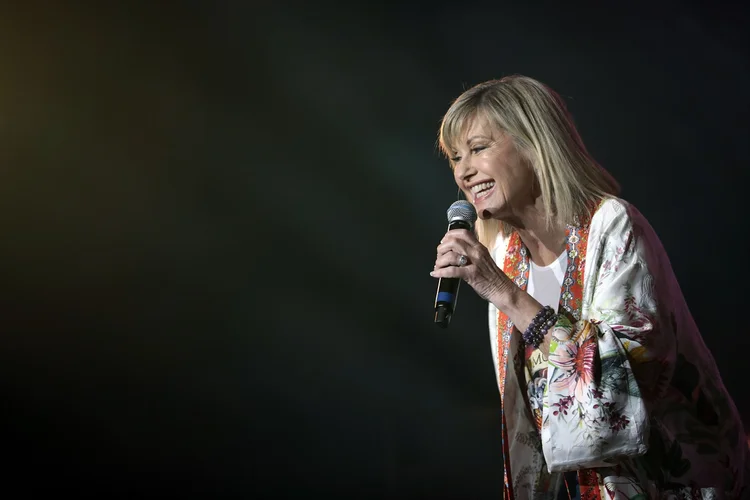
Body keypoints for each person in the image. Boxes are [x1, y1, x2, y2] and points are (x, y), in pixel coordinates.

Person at [429, 75, 749, 499]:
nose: (464, 171)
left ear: (534, 142)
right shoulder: (505, 256)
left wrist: (505, 294)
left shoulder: (614, 227)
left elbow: (620, 385)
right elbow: (536, 415)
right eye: (455, 157)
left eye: (479, 148)